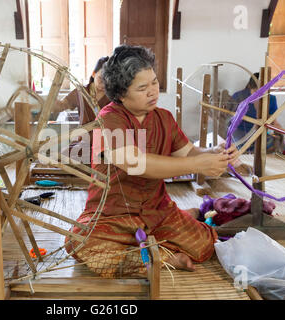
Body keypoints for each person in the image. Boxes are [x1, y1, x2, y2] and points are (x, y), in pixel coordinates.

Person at [65, 45, 238, 278]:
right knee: (80, 242)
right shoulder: (108, 119)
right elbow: (136, 164)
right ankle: (163, 256)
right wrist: (198, 165)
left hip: (159, 212)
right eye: (142, 88)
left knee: (205, 244)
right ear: (121, 93)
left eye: (154, 83)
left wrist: (214, 152)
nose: (153, 92)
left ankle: (147, 250)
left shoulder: (163, 118)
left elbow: (188, 152)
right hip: (114, 215)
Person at [230, 72, 283, 153]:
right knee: (239, 146)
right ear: (250, 86)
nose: (259, 94)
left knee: (276, 144)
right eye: (256, 91)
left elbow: (273, 121)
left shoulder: (271, 99)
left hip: (259, 132)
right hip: (240, 131)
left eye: (263, 91)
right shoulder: (238, 96)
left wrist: (277, 127)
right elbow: (229, 117)